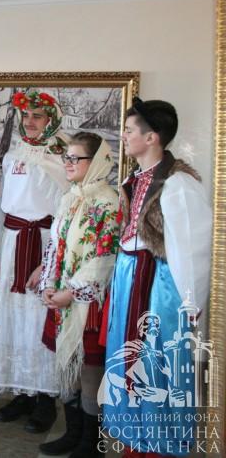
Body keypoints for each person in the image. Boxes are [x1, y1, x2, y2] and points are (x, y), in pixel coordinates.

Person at [100, 99, 211, 457]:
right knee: (128, 356)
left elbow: (192, 249)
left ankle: (161, 444)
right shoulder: (134, 179)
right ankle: (135, 438)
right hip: (130, 278)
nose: (124, 135)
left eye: (129, 130)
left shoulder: (178, 184)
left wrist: (188, 304)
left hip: (159, 284)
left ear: (152, 137)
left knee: (158, 361)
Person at [33, 133, 120, 456]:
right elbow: (55, 246)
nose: (68, 163)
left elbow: (105, 256)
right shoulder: (69, 197)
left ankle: (90, 443)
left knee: (89, 372)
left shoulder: (108, 201)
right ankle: (72, 433)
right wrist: (49, 284)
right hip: (62, 297)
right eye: (66, 157)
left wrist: (72, 291)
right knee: (67, 366)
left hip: (87, 301)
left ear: (95, 162)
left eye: (75, 158)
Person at [0, 90, 69, 432]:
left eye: (38, 116)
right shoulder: (13, 154)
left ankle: (45, 399)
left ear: (51, 119)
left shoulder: (61, 156)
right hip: (12, 243)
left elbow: (66, 213)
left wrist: (50, 261)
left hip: (43, 243)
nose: (30, 121)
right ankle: (21, 391)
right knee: (13, 316)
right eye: (26, 115)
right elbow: (4, 207)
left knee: (40, 317)